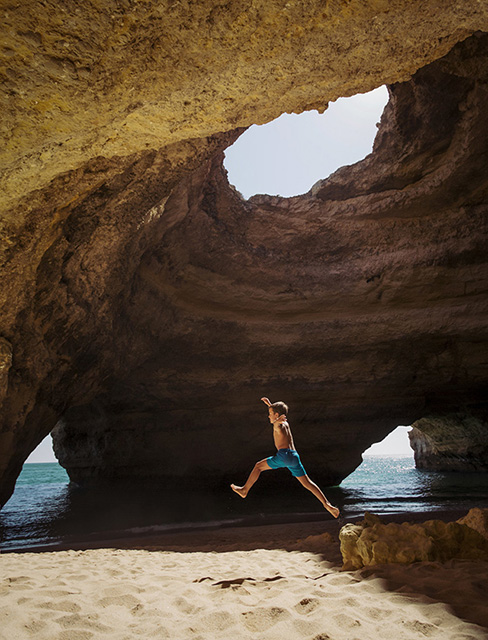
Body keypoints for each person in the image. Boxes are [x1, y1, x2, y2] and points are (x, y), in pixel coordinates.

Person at [230, 397, 340, 518]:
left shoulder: (278, 425)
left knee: (258, 466)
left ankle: (244, 490)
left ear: (277, 415)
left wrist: (277, 420)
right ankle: (327, 504)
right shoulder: (285, 423)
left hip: (284, 456)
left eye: (270, 414)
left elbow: (276, 424)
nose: (268, 416)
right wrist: (270, 405)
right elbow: (278, 418)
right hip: (294, 456)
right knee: (307, 483)